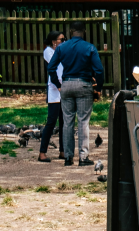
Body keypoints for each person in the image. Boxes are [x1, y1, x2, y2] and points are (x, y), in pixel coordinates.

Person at [47, 21, 104, 166]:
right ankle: (83, 157)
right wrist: (98, 88)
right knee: (83, 121)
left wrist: (58, 84)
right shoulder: (90, 47)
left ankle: (68, 156)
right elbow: (99, 70)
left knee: (67, 122)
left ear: (71, 31)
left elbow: (51, 68)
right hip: (84, 84)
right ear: (84, 31)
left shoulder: (61, 48)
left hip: (66, 84)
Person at [39, 31, 66, 162]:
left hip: (63, 88)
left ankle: (63, 150)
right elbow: (53, 67)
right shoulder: (48, 52)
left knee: (64, 122)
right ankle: (42, 152)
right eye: (61, 39)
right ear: (54, 41)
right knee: (51, 121)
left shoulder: (62, 50)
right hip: (54, 90)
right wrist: (58, 84)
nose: (63, 41)